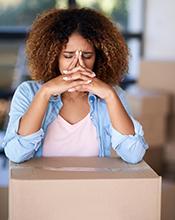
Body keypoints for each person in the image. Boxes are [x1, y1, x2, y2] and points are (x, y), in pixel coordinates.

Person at [2, 8, 148, 163]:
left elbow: (134, 155)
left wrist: (110, 95)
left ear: (99, 58)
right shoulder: (28, 92)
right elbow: (16, 154)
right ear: (53, 57)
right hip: (44, 186)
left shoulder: (112, 95)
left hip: (92, 186)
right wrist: (44, 93)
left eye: (87, 55)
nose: (78, 64)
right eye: (68, 55)